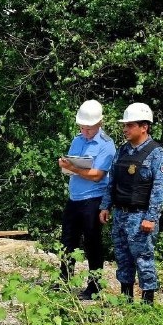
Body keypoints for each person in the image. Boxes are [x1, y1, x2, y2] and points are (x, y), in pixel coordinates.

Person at [99, 103, 163, 305]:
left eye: (130, 125)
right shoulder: (122, 151)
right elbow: (112, 181)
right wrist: (105, 206)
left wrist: (151, 218)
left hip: (141, 216)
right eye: (125, 125)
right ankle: (126, 300)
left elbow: (160, 189)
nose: (125, 129)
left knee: (144, 259)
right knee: (122, 258)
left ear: (144, 127)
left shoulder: (157, 154)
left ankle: (147, 303)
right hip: (120, 215)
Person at [57, 100, 116, 300]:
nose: (85, 132)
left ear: (100, 123)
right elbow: (72, 164)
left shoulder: (106, 145)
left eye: (89, 128)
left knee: (92, 243)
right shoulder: (77, 140)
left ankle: (94, 287)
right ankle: (64, 280)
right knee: (67, 241)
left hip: (93, 199)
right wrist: (66, 165)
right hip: (74, 197)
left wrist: (73, 168)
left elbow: (97, 175)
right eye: (82, 127)